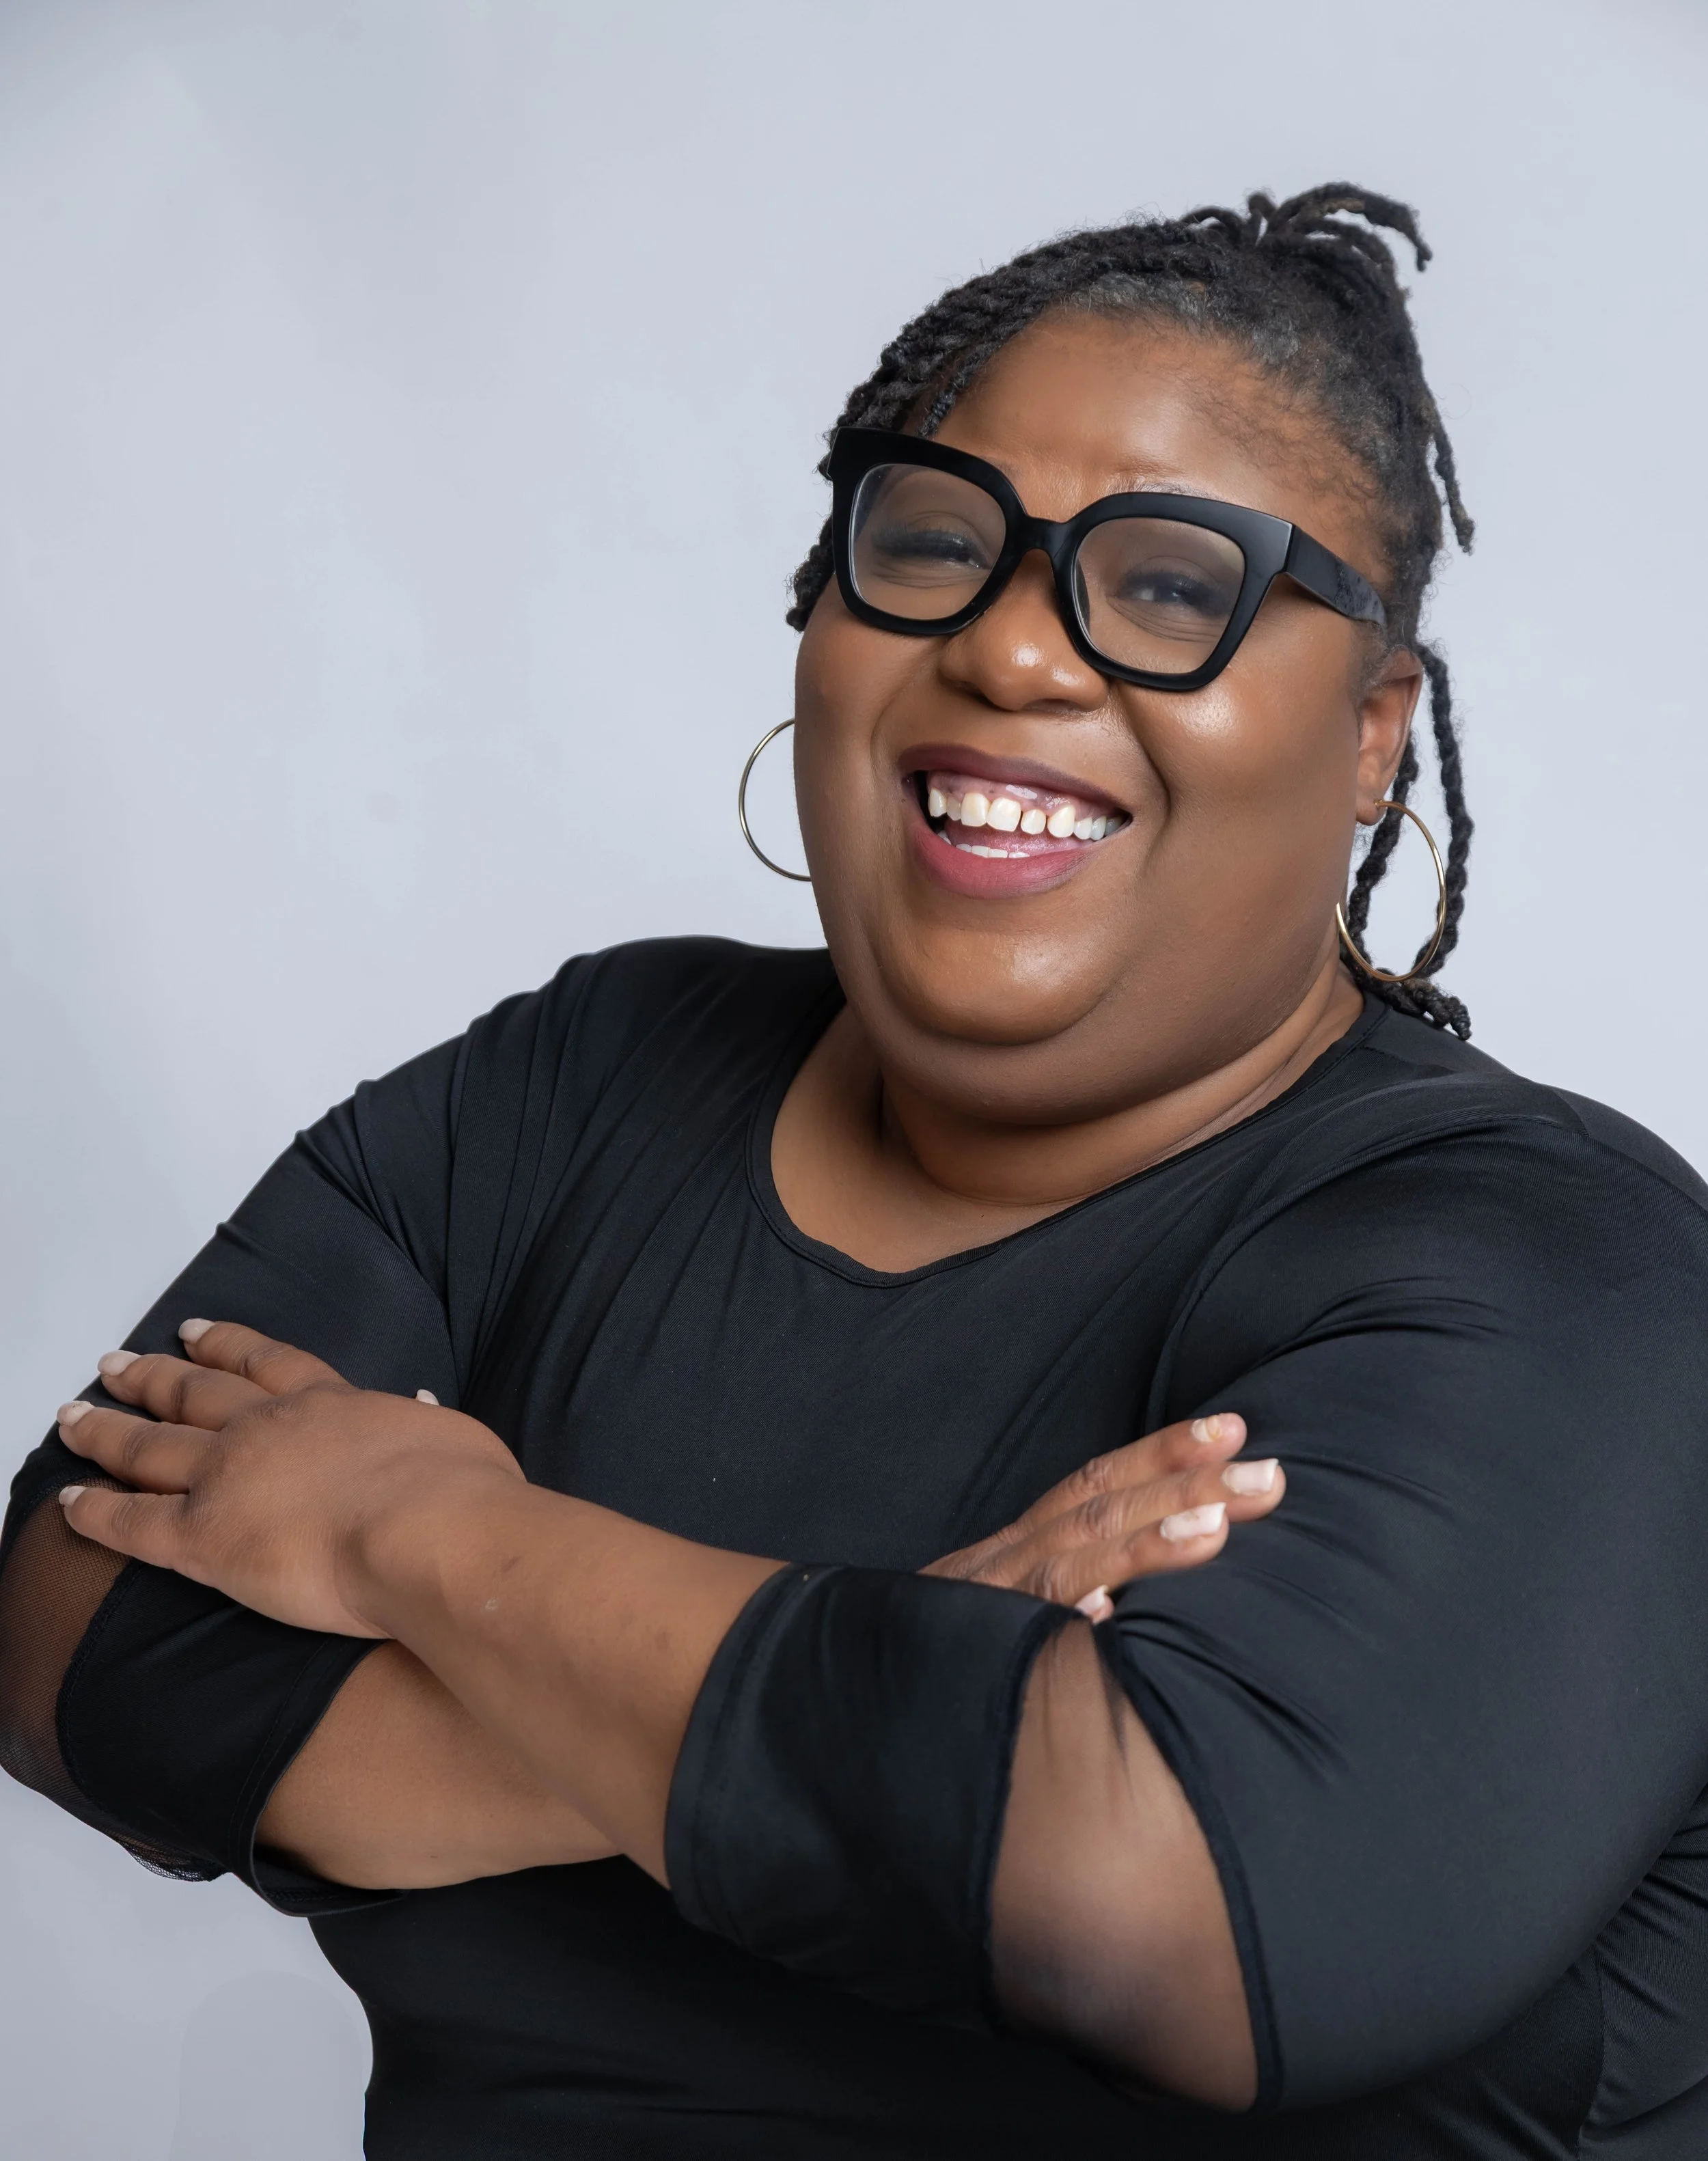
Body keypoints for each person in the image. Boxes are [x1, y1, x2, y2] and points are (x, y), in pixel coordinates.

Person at [3, 183, 1706, 2161]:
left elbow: (1156, 1908)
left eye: (1169, 584)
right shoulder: (577, 1081)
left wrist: (422, 1543)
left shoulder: (1557, 1268)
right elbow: (70, 1635)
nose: (1004, 648)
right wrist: (906, 1661)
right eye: (928, 544)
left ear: (1369, 734)